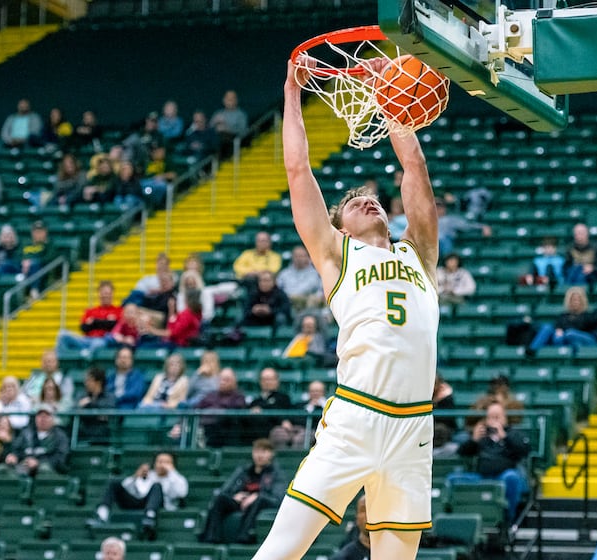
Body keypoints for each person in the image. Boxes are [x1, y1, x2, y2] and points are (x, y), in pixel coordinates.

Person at [251, 58, 441, 560]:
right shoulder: (337, 255)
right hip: (356, 417)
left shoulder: (418, 252)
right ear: (339, 226)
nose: (368, 201)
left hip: (413, 428)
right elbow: (297, 170)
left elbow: (414, 169)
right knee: (282, 550)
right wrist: (293, 93)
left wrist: (393, 96)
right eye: (353, 203)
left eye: (372, 199)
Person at [450, 400, 531, 523]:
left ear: (505, 418)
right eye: (491, 417)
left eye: (497, 417)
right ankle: (457, 520)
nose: (494, 421)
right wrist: (474, 440)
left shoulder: (513, 434)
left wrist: (504, 437)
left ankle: (509, 520)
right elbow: (461, 452)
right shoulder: (481, 435)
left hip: (502, 476)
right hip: (481, 477)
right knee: (452, 479)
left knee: (512, 478)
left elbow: (524, 451)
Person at [199, 439, 287, 545]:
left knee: (259, 499)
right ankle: (212, 538)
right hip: (240, 502)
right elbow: (225, 489)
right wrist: (235, 496)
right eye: (257, 451)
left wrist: (256, 496)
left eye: (264, 451)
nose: (259, 455)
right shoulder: (243, 470)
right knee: (221, 498)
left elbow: (277, 497)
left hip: (260, 503)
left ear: (271, 454)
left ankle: (244, 537)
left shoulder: (276, 474)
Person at [94, 451, 189, 536]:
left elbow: (182, 493)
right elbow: (130, 489)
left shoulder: (177, 478)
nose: (162, 465)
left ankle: (150, 517)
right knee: (114, 483)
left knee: (157, 486)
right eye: (159, 462)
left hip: (161, 506)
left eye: (166, 462)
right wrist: (136, 476)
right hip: (142, 501)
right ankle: (102, 515)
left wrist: (172, 472)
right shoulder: (149, 474)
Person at [0, 404, 69, 477]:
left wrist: (38, 463)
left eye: (46, 416)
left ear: (53, 418)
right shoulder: (26, 433)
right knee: (1, 469)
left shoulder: (60, 435)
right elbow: (16, 450)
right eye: (40, 416)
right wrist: (14, 456)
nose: (42, 419)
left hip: (48, 469)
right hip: (24, 466)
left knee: (44, 469)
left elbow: (60, 458)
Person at [526, 286, 594, 356]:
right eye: (573, 300)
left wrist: (563, 330)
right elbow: (557, 325)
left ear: (582, 301)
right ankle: (532, 350)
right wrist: (558, 330)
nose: (575, 302)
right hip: (562, 338)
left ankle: (562, 356)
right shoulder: (563, 315)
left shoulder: (588, 315)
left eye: (577, 300)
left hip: (578, 339)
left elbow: (583, 328)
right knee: (548, 328)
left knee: (569, 333)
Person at [57, 280, 123, 353]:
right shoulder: (90, 311)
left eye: (108, 293)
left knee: (97, 343)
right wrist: (106, 322)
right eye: (103, 293)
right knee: (62, 334)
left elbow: (116, 327)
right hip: (86, 340)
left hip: (103, 341)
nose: (105, 295)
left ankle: (86, 356)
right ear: (99, 294)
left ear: (112, 294)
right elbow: (83, 328)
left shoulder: (118, 311)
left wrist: (94, 322)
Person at [189, 368, 246, 448]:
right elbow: (195, 409)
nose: (222, 382)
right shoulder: (211, 395)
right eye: (221, 379)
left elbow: (233, 413)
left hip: (222, 432)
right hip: (203, 426)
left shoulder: (238, 397)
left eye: (226, 380)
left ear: (234, 382)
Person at [271, 380, 328, 449]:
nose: (315, 393)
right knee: (278, 432)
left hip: (311, 431)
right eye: (312, 391)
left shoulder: (327, 407)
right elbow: (290, 414)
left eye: (318, 391)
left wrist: (316, 407)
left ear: (324, 392)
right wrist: (286, 421)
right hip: (293, 428)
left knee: (301, 438)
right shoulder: (300, 404)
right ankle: (281, 457)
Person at [247, 368, 293, 443]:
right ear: (260, 381)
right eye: (264, 379)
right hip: (257, 438)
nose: (267, 382)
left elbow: (281, 412)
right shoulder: (255, 402)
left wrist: (262, 409)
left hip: (276, 435)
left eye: (270, 379)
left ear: (277, 381)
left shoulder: (284, 398)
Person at [76, 366, 117, 446]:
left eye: (89, 380)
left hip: (103, 435)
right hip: (84, 432)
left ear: (98, 382)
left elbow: (107, 414)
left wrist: (89, 405)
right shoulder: (82, 395)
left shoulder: (110, 397)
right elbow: (75, 409)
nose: (86, 383)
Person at [276, 246, 324, 312]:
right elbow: (277, 289)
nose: (299, 258)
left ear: (308, 257)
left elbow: (321, 290)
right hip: (289, 301)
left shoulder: (316, 273)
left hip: (309, 302)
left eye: (302, 256)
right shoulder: (284, 274)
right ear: (292, 257)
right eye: (296, 256)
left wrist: (316, 297)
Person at [209, 89, 249, 156]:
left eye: (232, 98)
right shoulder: (218, 113)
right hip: (217, 140)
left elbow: (244, 131)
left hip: (232, 141)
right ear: (224, 100)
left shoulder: (241, 114)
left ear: (236, 100)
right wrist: (214, 123)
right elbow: (208, 128)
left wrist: (227, 128)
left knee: (222, 138)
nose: (229, 100)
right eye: (227, 98)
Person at [331, 495, 370, 560]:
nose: (369, 514)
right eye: (364, 509)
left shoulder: (392, 553)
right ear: (356, 518)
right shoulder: (342, 557)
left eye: (374, 509)